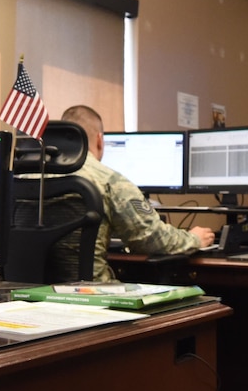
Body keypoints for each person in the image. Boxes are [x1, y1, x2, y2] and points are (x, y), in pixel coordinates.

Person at [60, 105, 213, 277]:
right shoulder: (109, 181)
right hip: (89, 296)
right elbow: (152, 239)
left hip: (32, 296)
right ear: (99, 140)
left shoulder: (28, 175)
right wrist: (194, 239)